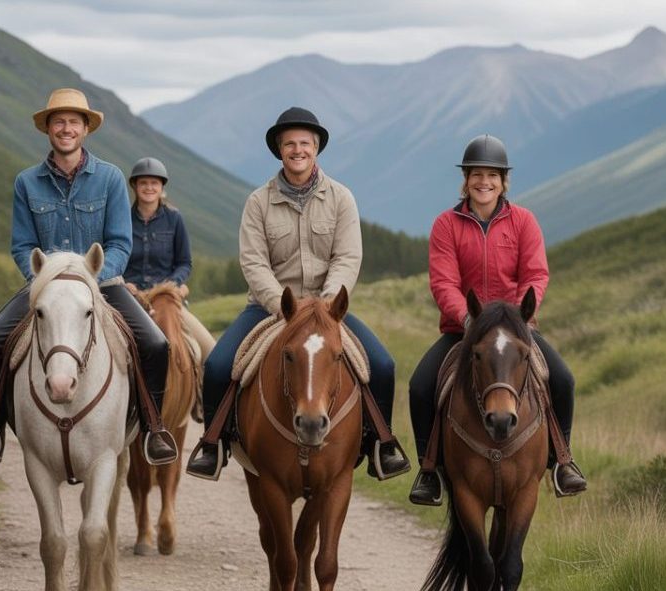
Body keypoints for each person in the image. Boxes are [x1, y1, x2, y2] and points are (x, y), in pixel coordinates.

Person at [186, 106, 410, 481]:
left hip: (326, 310)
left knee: (382, 366)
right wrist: (282, 305)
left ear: (317, 147)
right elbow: (254, 262)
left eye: (305, 142)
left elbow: (347, 256)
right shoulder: (259, 202)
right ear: (279, 149)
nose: (297, 149)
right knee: (219, 365)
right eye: (289, 143)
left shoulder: (341, 199)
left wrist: (324, 306)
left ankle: (379, 445)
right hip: (271, 309)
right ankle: (214, 443)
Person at [0, 89, 178, 465]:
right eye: (59, 122)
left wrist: (89, 280)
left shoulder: (111, 178)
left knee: (155, 344)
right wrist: (46, 283)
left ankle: (153, 425)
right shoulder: (26, 182)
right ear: (48, 129)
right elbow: (22, 245)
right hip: (46, 290)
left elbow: (119, 243)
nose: (66, 128)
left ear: (86, 129)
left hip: (103, 287)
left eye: (73, 122)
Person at [407, 134, 586, 505]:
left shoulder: (524, 222)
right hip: (464, 332)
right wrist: (466, 318)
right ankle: (429, 471)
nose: (483, 182)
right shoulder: (446, 225)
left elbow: (536, 274)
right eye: (476, 174)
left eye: (492, 175)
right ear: (466, 179)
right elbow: (443, 282)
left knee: (564, 380)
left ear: (504, 180)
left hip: (517, 331)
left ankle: (562, 461)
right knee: (420, 386)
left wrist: (521, 317)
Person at [123, 157, 215, 357]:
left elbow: (184, 263)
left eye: (154, 183)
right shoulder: (122, 219)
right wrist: (123, 283)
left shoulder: (174, 219)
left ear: (161, 187)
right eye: (143, 183)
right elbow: (115, 256)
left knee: (210, 351)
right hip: (130, 298)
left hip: (166, 298)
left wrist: (173, 284)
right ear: (135, 186)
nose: (149, 187)